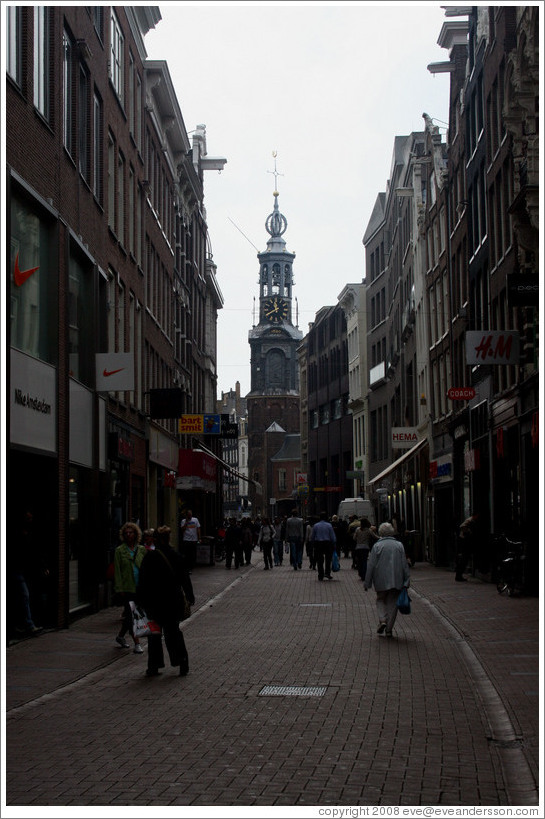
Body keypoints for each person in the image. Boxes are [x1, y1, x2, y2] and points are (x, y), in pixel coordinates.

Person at [137, 525, 194, 677]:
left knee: (154, 634)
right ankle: (182, 662)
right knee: (173, 632)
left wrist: (140, 599)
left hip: (154, 601)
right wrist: (189, 596)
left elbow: (143, 579)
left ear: (156, 539)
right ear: (169, 538)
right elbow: (185, 578)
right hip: (173, 600)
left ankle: (154, 666)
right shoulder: (176, 555)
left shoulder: (150, 557)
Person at [364, 521, 410, 637]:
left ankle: (382, 619)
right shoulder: (399, 545)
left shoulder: (377, 546)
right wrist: (407, 579)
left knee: (380, 599)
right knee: (393, 603)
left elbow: (371, 565)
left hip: (380, 578)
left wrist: (367, 582)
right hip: (397, 578)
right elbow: (404, 564)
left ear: (380, 533)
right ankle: (389, 629)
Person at [7, 510, 45, 637]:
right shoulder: (19, 535)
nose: (30, 520)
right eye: (28, 518)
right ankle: (28, 624)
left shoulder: (26, 534)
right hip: (17, 570)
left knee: (20, 597)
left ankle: (20, 624)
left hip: (21, 570)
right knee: (24, 595)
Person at [113, 522, 146, 654]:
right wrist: (119, 588)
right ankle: (137, 643)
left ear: (136, 534)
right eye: (126, 533)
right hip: (127, 588)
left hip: (140, 587)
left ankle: (120, 636)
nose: (128, 535)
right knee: (132, 616)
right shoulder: (119, 551)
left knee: (131, 615)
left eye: (131, 532)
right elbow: (117, 571)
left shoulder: (142, 550)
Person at [310, 511, 337, 580]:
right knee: (328, 559)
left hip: (318, 543)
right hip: (327, 543)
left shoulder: (316, 525)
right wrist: (334, 543)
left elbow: (312, 536)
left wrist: (312, 543)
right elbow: (332, 536)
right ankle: (327, 573)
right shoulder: (329, 525)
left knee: (320, 560)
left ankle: (320, 574)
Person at [455, 512, 479, 582]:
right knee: (464, 559)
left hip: (466, 542)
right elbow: (462, 526)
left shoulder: (472, 520)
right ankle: (459, 575)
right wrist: (469, 532)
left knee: (464, 559)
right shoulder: (470, 520)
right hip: (465, 542)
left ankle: (459, 575)